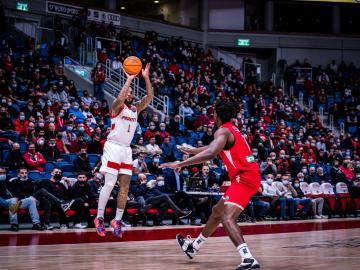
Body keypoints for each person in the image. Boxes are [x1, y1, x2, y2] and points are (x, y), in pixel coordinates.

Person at [161, 101, 261, 270]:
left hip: (243, 178)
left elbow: (211, 153)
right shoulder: (232, 129)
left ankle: (248, 259)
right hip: (250, 175)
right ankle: (194, 246)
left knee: (227, 218)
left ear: (217, 116)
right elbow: (212, 147)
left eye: (214, 114)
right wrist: (191, 150)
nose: (212, 116)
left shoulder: (222, 131)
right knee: (217, 211)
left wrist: (181, 163)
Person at [94, 63, 153, 238]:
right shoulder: (116, 107)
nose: (129, 93)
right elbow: (119, 98)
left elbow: (149, 97)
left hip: (126, 150)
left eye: (131, 92)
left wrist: (146, 78)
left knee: (125, 187)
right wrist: (128, 79)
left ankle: (117, 220)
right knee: (110, 183)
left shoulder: (135, 109)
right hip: (113, 147)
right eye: (127, 91)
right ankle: (99, 217)